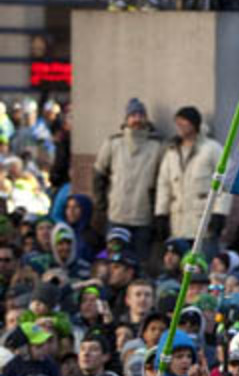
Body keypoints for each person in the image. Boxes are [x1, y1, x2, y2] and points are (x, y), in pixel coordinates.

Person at [93, 97, 163, 261]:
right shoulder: (113, 143)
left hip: (143, 217)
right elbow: (99, 175)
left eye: (140, 115)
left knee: (139, 260)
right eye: (133, 115)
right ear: (126, 119)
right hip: (117, 215)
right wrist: (101, 204)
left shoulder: (156, 147)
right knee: (113, 260)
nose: (137, 119)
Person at [154, 106, 230, 248]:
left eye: (184, 123)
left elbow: (225, 184)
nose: (180, 127)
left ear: (194, 124)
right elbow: (163, 185)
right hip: (178, 226)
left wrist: (220, 213)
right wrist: (161, 215)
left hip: (203, 225)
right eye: (178, 123)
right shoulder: (172, 152)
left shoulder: (212, 149)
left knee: (203, 264)